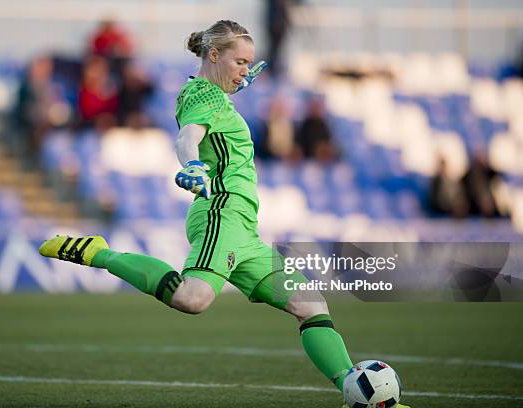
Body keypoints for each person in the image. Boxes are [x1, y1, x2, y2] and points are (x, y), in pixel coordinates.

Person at [38, 20, 409, 408]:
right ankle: (99, 252)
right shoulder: (201, 95)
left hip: (245, 230)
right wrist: (192, 165)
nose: (246, 71)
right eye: (240, 62)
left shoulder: (216, 96)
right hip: (222, 213)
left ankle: (354, 388)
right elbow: (189, 136)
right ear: (213, 55)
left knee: (310, 303)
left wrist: (231, 84)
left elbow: (208, 119)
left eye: (249, 63)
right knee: (191, 298)